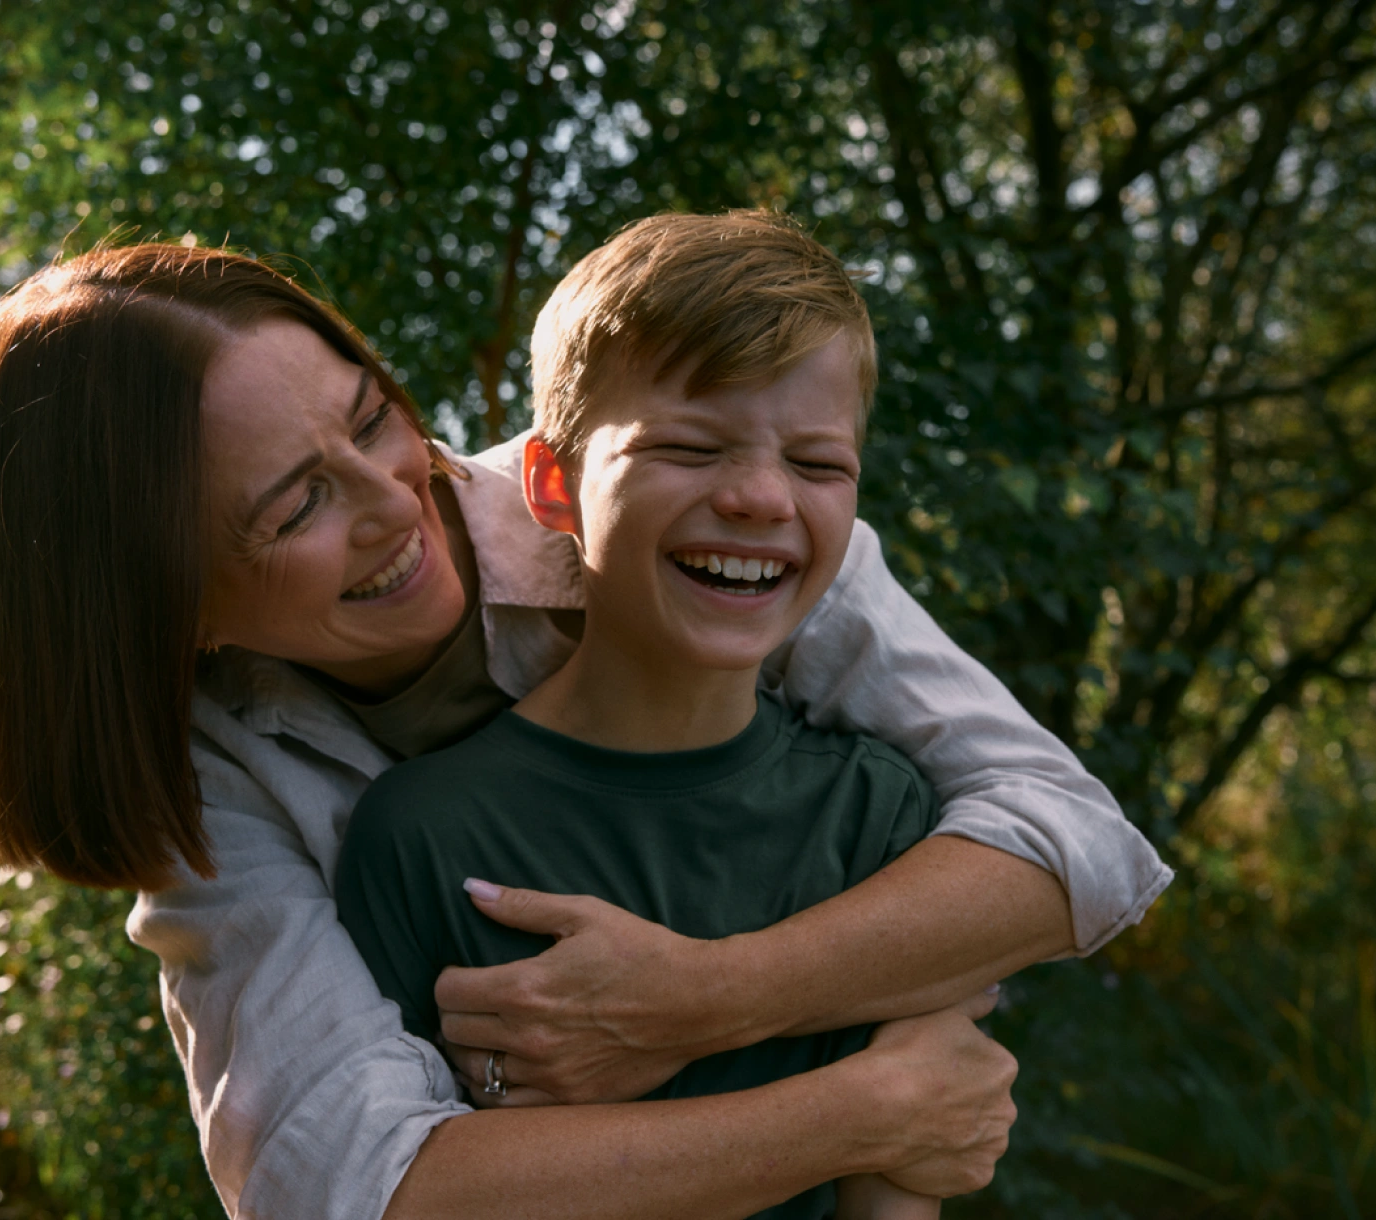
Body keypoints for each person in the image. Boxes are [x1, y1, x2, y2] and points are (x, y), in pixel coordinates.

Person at [0, 235, 1172, 1220]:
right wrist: (862, 1110)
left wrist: (700, 997)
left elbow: (1075, 844)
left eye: (370, 418)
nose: (395, 499)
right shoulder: (220, 778)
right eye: (295, 501)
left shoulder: (701, 523)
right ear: (169, 603)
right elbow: (346, 1189)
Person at [335, 211, 959, 1220]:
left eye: (816, 464)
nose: (759, 496)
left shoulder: (879, 816)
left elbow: (896, 1185)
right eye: (686, 445)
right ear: (551, 483)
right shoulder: (420, 832)